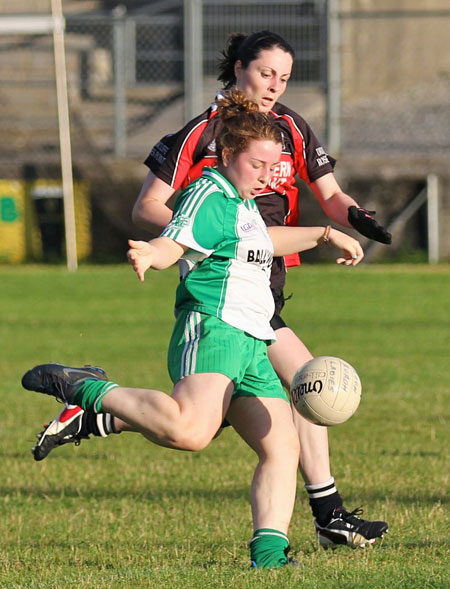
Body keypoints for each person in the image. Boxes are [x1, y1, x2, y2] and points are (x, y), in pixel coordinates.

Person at [32, 31, 389, 550]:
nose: (275, 85)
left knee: (235, 423)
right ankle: (329, 513)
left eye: (285, 77)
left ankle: (99, 415)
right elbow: (151, 210)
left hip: (262, 288)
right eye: (267, 72)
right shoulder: (206, 149)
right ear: (239, 67)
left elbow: (324, 196)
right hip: (225, 295)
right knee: (304, 388)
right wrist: (183, 240)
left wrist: (343, 223)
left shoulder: (285, 130)